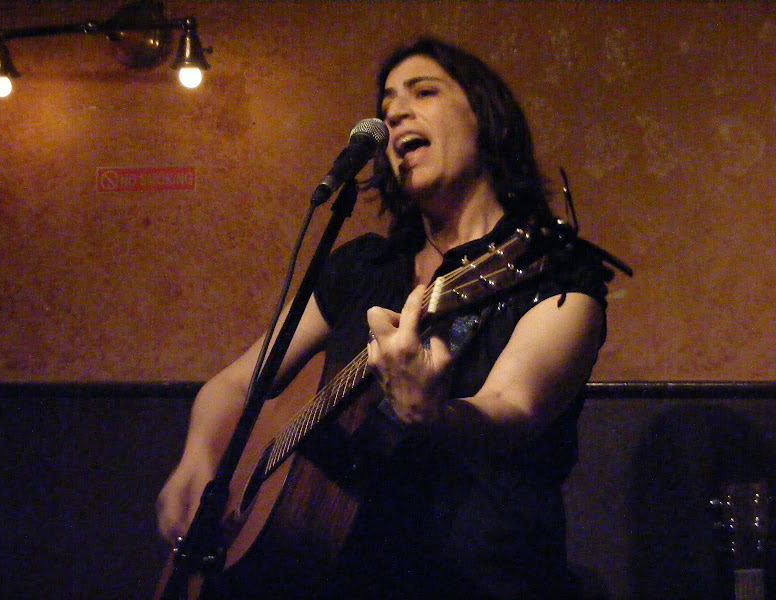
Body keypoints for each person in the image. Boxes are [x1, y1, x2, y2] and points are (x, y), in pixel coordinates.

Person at [157, 37, 615, 599]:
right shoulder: (364, 266)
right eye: (387, 103)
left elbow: (512, 407)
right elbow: (236, 384)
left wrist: (432, 414)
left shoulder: (551, 267)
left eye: (424, 92)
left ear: (487, 119)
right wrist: (198, 461)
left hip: (482, 581)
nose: (395, 112)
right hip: (334, 577)